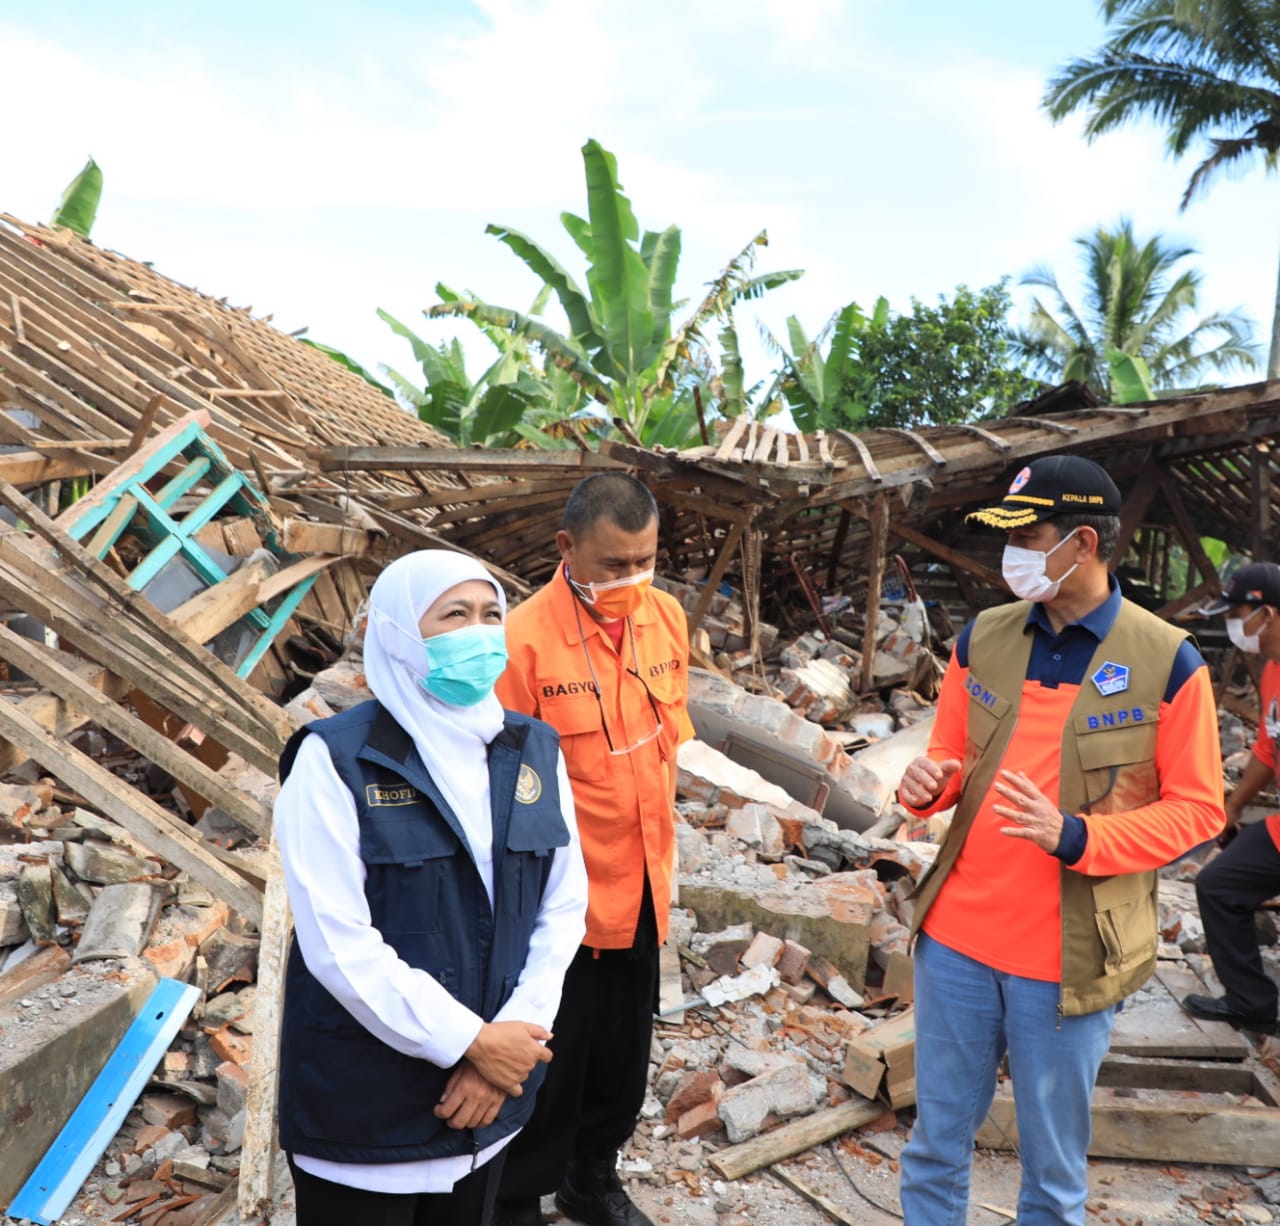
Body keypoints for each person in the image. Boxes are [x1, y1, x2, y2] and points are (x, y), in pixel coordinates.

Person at [896, 455, 1224, 1226]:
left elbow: (1198, 810)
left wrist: (1076, 836)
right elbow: (952, 758)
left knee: (1051, 1178)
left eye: (1026, 537)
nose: (1007, 555)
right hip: (956, 943)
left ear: (1083, 543)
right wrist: (926, 786)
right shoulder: (983, 638)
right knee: (935, 1148)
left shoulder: (1167, 662)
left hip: (1066, 960)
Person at [273, 550, 588, 1226]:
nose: (479, 633)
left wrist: (509, 1046)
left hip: (486, 1116)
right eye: (454, 615)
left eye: (491, 615)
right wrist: (473, 1043)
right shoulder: (335, 760)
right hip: (367, 1118)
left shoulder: (533, 748)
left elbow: (562, 907)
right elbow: (338, 944)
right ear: (397, 634)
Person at [492, 473, 695, 1226]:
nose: (631, 580)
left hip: (642, 887)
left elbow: (667, 749)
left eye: (645, 561)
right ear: (567, 548)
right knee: (550, 1057)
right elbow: (496, 788)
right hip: (557, 903)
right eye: (614, 564)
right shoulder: (520, 642)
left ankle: (592, 1176)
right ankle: (515, 1196)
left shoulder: (665, 618)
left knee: (620, 1055)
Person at [1181, 561, 1280, 1034]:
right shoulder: (1272, 670)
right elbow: (1266, 747)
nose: (1232, 627)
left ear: (1268, 614)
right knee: (1218, 885)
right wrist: (1233, 806)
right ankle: (1251, 1005)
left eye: (1237, 615)